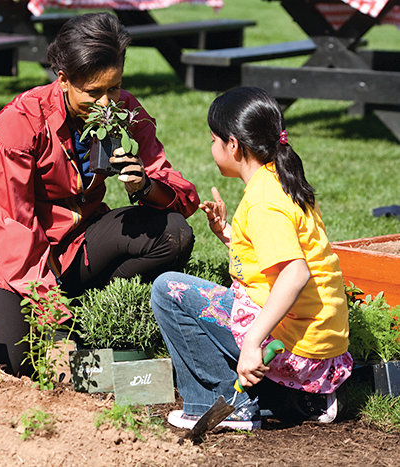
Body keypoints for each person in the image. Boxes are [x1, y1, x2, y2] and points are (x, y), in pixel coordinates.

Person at [0, 13, 200, 376]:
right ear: (63, 79)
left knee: (173, 235)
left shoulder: (124, 110)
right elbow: (13, 223)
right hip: (7, 255)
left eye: (114, 88)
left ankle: (89, 311)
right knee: (3, 363)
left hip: (75, 243)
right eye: (92, 92)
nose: (106, 104)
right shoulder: (21, 121)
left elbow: (183, 195)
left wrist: (145, 186)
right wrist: (52, 313)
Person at [150, 87, 353, 431]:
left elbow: (294, 273)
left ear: (233, 144)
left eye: (213, 140)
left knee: (168, 289)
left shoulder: (263, 200)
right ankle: (299, 399)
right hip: (323, 348)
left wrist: (253, 344)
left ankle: (224, 403)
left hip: (292, 349)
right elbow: (274, 255)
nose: (211, 148)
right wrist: (227, 233)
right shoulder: (283, 180)